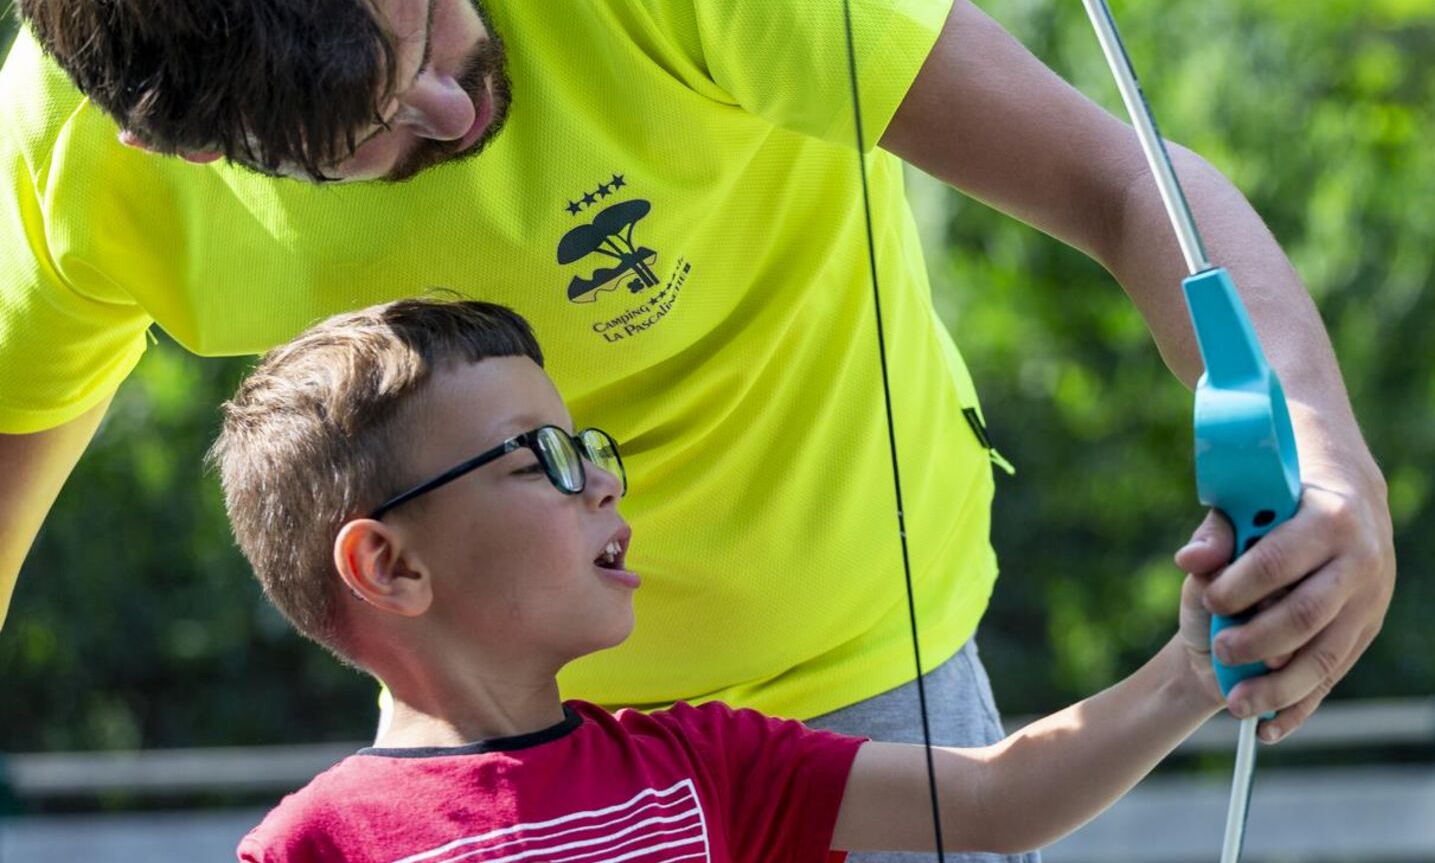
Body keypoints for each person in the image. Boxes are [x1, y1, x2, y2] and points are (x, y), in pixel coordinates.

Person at [0, 0, 1393, 858]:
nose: (450, 106)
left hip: (857, 681)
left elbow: (1118, 180)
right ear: (173, 151)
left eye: (420, 14)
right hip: (486, 758)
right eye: (363, 138)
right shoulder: (62, 169)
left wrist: (1321, 458)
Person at [213, 297, 1227, 862]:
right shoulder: (313, 847)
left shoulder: (702, 765)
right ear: (389, 565)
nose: (603, 479)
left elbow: (995, 798)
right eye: (543, 459)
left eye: (589, 446)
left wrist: (1194, 668)